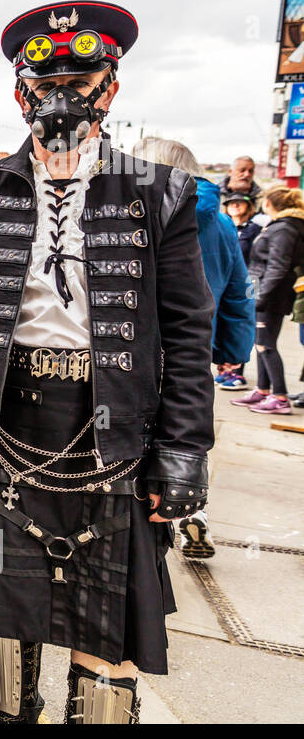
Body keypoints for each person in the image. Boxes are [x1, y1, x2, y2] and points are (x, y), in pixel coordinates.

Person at [0, 1, 214, 724]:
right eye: (44, 75)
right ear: (19, 91)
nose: (62, 90)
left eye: (80, 74)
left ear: (111, 86)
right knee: (8, 619)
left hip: (114, 433)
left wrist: (184, 449)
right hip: (8, 424)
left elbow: (186, 332)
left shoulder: (163, 191)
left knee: (106, 630)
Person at [133, 137, 251, 559]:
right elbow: (239, 290)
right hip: (195, 348)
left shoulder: (143, 207)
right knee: (190, 431)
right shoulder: (220, 222)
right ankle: (193, 511)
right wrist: (232, 348)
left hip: (142, 347)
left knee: (141, 434)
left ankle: (146, 512)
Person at [231, 186, 304, 416]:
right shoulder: (280, 225)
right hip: (261, 289)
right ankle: (263, 390)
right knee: (259, 343)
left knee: (266, 344)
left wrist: (260, 299)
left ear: (270, 203)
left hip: (269, 294)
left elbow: (278, 266)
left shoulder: (284, 228)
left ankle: (280, 397)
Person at [219, 191, 263, 390]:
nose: (235, 206)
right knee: (225, 321)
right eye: (231, 203)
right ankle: (226, 369)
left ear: (248, 206)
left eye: (239, 203)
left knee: (242, 320)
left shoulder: (254, 229)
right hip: (228, 280)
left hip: (249, 280)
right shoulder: (223, 225)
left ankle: (238, 372)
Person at [219, 155, 264, 220]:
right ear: (230, 172)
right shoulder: (214, 194)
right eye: (242, 170)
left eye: (250, 171)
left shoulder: (262, 197)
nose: (247, 174)